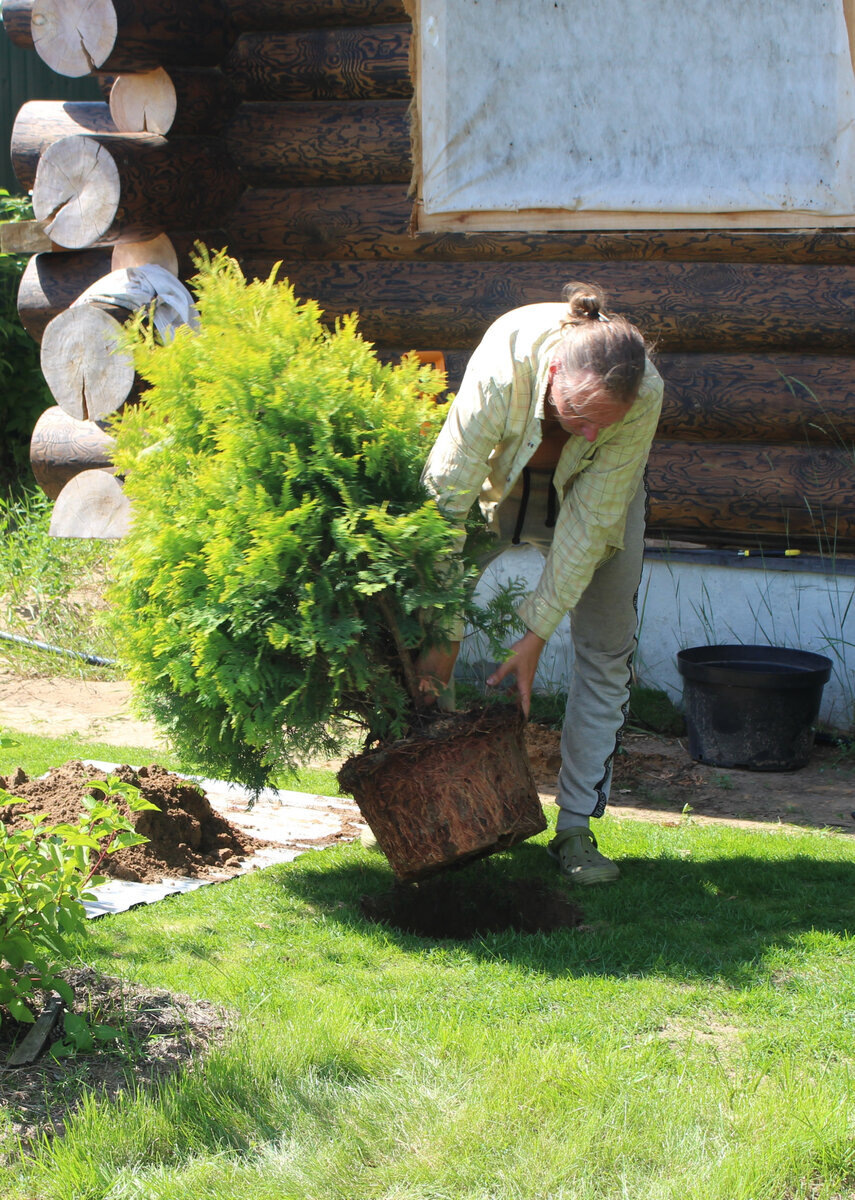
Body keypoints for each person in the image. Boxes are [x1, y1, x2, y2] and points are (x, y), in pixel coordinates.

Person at [416, 283, 664, 885]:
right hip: (495, 485)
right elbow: (444, 505)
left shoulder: (644, 392)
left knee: (606, 652)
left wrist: (536, 630)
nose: (585, 435)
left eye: (601, 426)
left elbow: (591, 522)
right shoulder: (505, 365)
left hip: (592, 499)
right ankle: (435, 816)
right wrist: (443, 633)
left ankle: (575, 830)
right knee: (424, 637)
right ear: (553, 372)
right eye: (576, 416)